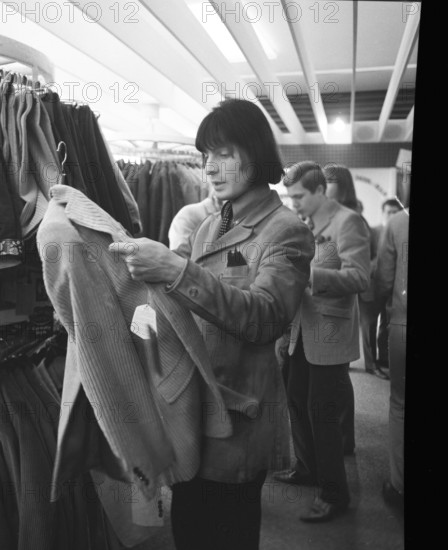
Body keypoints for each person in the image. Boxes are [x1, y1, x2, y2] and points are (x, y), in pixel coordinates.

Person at [110, 98, 315, 550]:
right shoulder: (208, 226)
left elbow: (264, 318)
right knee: (189, 530)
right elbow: (187, 304)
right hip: (192, 413)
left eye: (224, 153)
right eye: (206, 156)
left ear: (256, 151)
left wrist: (175, 270)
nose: (211, 167)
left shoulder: (285, 231)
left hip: (237, 420)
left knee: (227, 533)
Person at [273, 161, 370, 522]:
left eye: (297, 196)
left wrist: (310, 275)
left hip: (329, 333)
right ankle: (307, 468)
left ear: (318, 191)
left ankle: (334, 492)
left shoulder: (348, 222)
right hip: (301, 330)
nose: (292, 201)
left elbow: (361, 277)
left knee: (322, 414)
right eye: (288, 195)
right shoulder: (306, 225)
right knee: (296, 400)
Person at [375, 208, 409, 512]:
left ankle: (399, 485)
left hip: (404, 324)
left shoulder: (399, 222)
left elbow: (384, 280)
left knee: (400, 405)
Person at [372, 198, 404, 378]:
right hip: (378, 283)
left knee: (393, 323)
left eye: (394, 212)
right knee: (380, 323)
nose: (391, 215)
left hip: (396, 287)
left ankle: (392, 359)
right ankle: (381, 357)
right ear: (382, 212)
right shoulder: (374, 231)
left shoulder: (402, 229)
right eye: (388, 212)